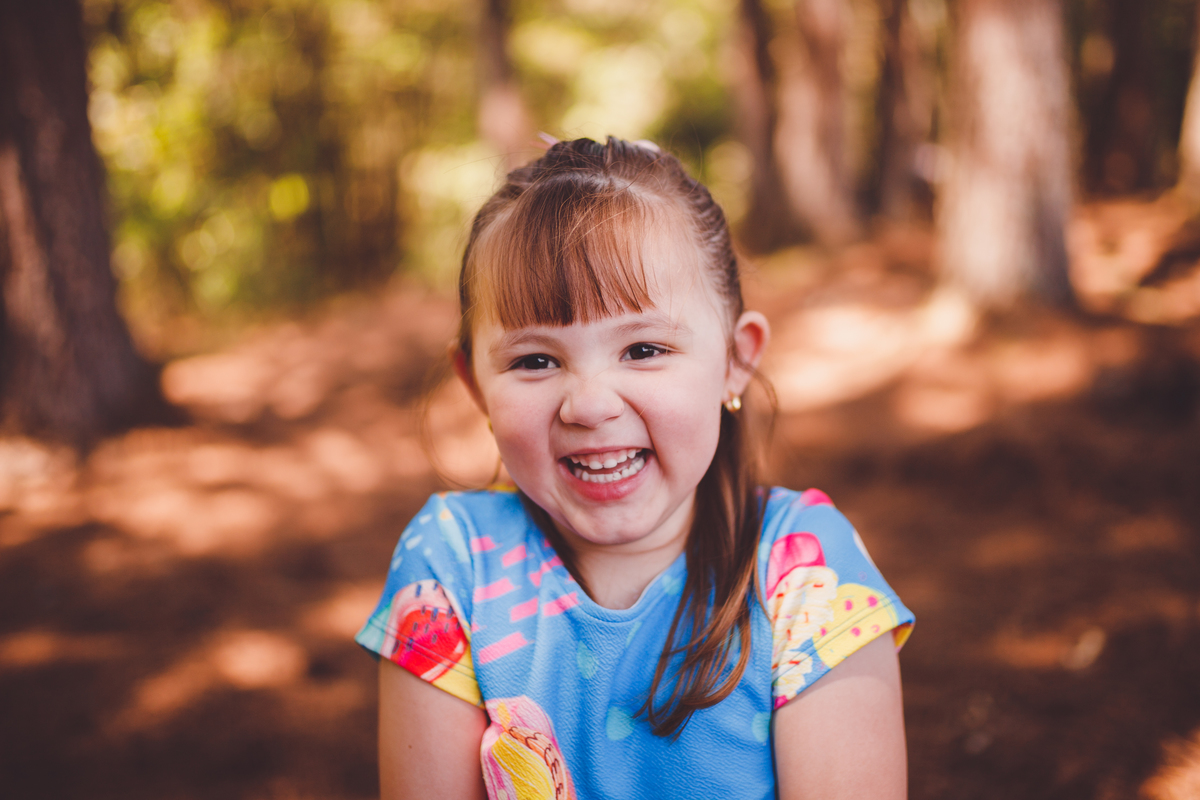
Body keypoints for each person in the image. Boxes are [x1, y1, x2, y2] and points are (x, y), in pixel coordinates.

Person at [356, 136, 914, 800]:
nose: (590, 405)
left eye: (644, 349)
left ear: (735, 359)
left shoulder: (806, 573)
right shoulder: (451, 567)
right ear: (475, 384)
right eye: (535, 360)